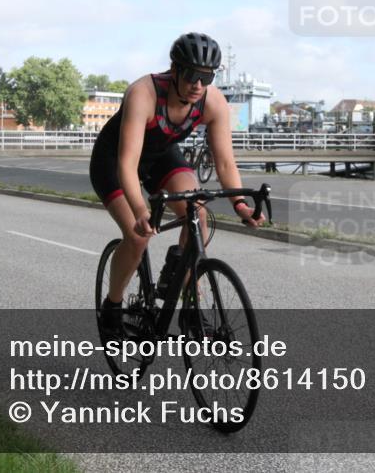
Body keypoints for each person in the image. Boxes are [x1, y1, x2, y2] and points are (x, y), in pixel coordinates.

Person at [90, 32, 266, 330]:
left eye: (206, 77)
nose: (198, 85)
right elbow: (127, 163)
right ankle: (113, 305)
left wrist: (240, 204)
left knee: (197, 213)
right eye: (191, 75)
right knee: (138, 235)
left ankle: (189, 302)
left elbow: (224, 162)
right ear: (174, 70)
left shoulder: (213, 102)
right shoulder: (143, 93)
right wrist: (141, 211)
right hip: (115, 159)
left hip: (161, 155)